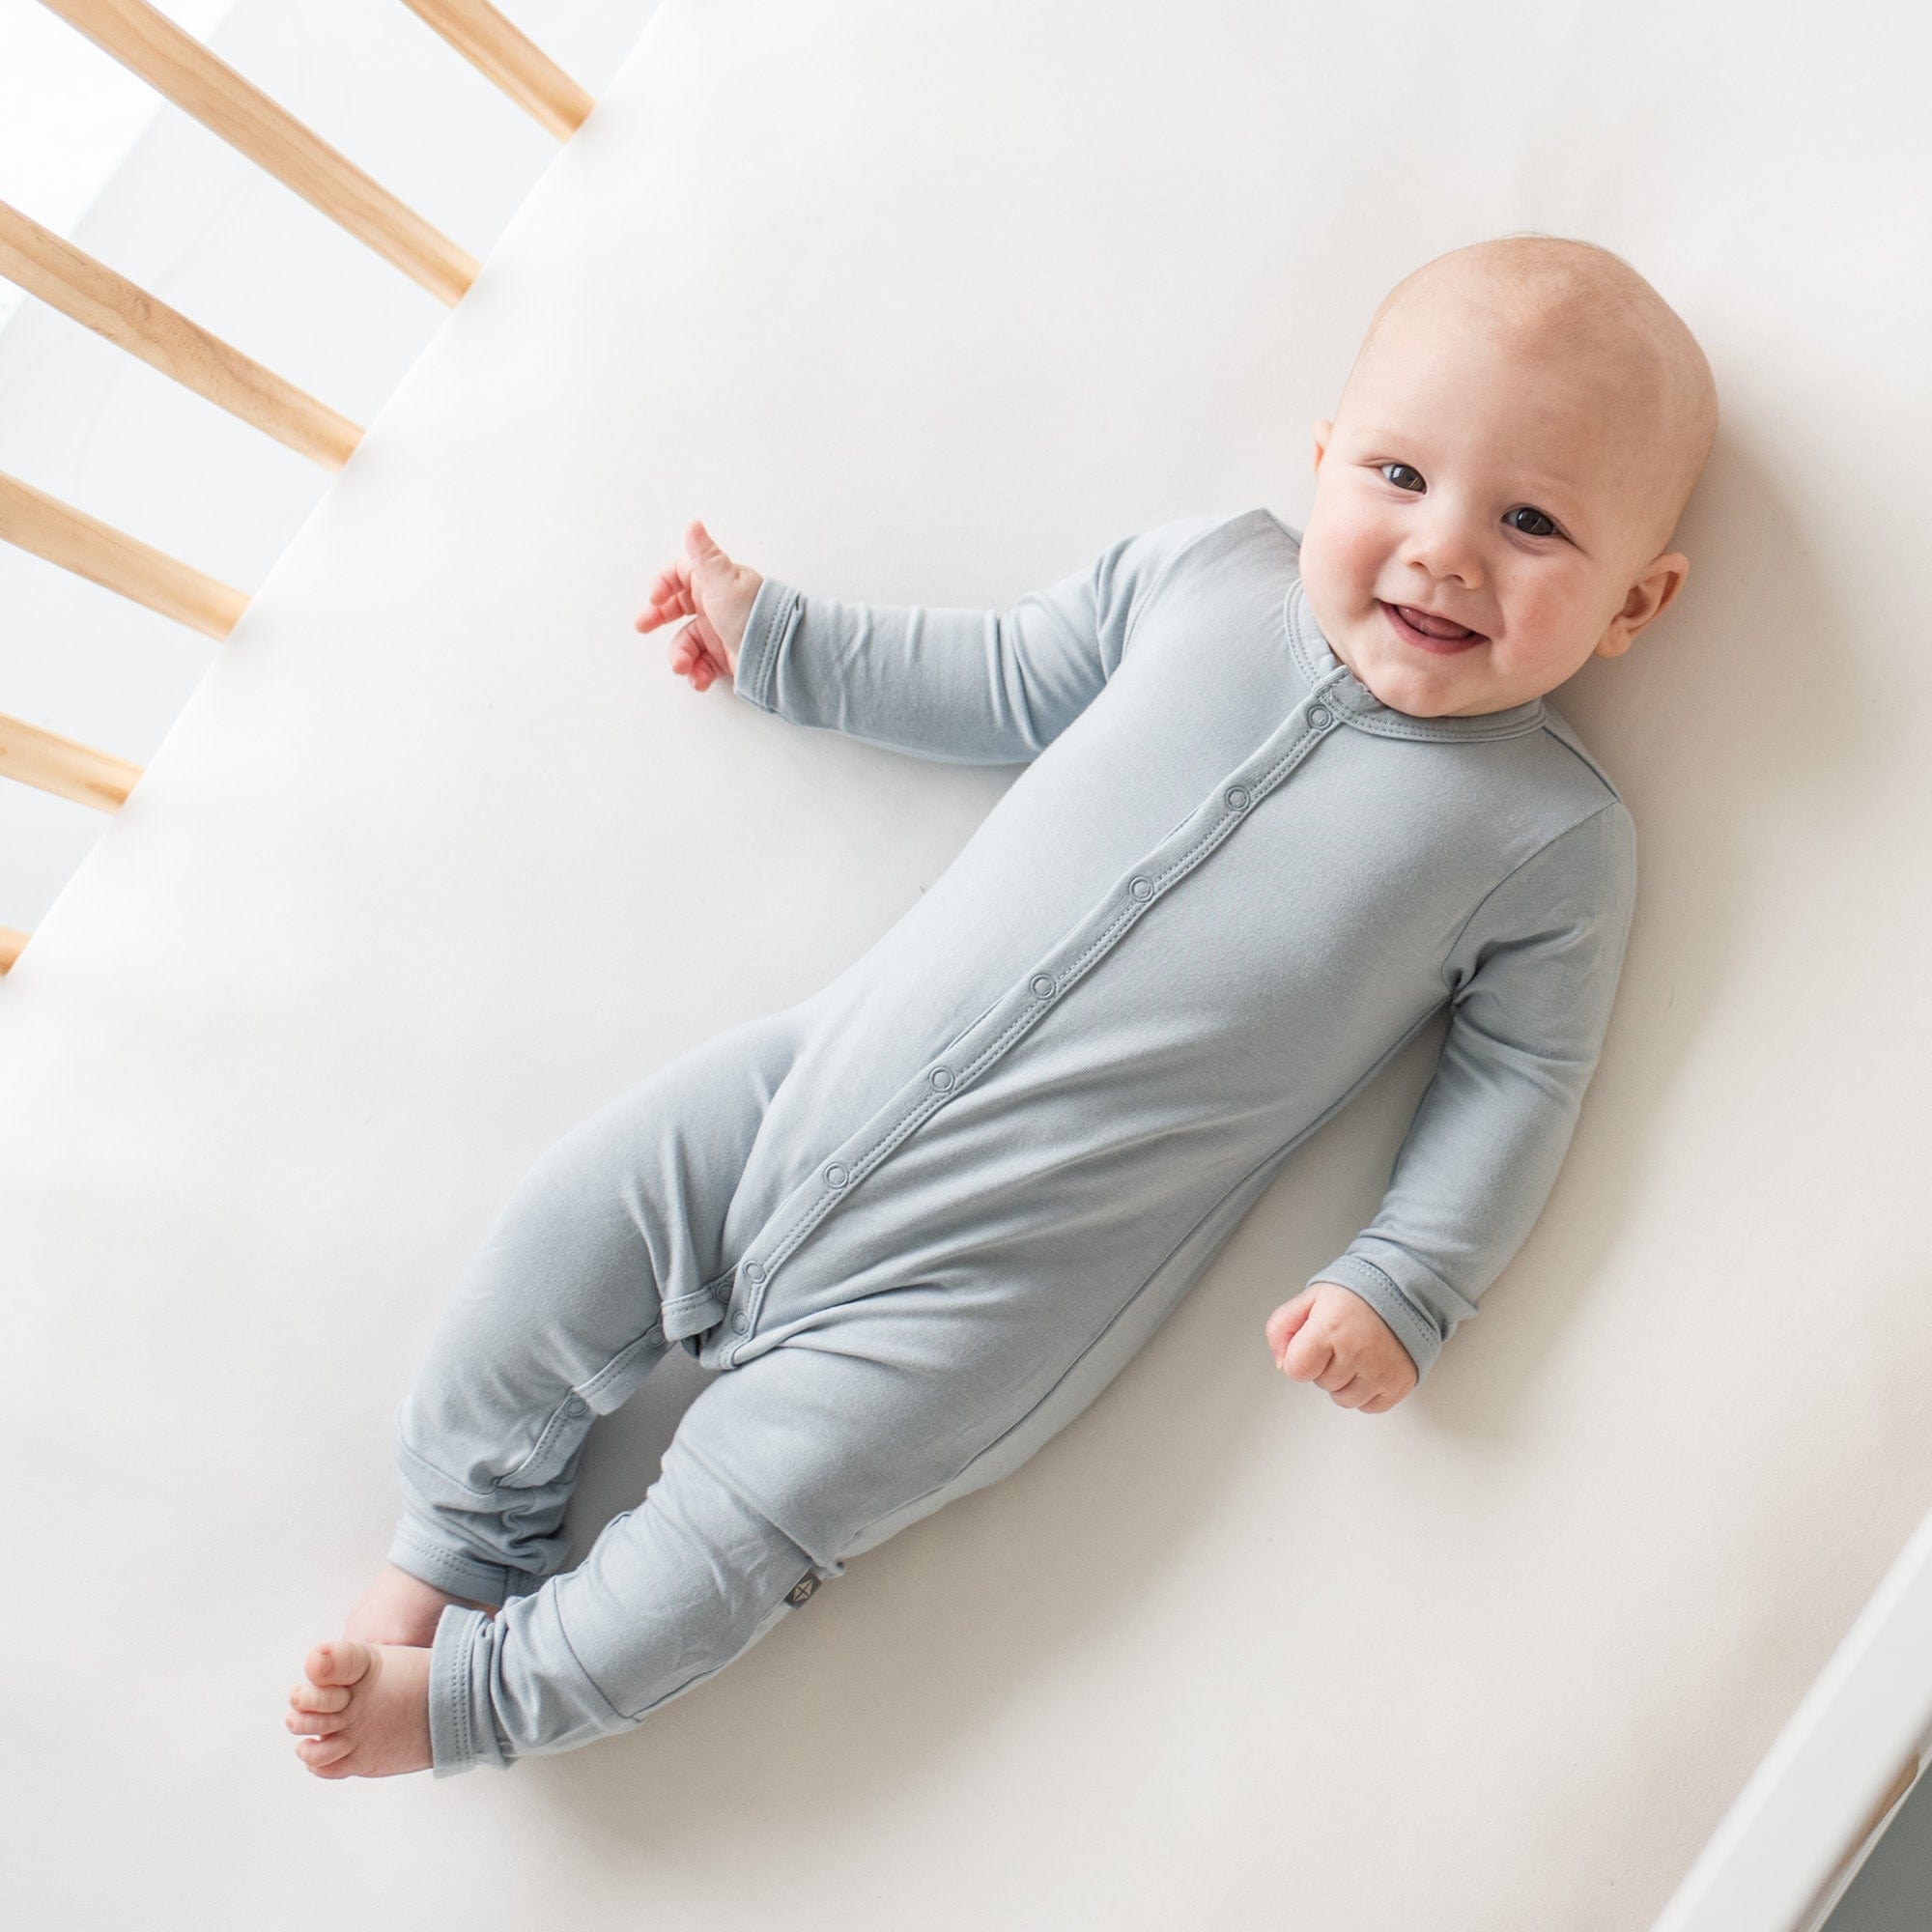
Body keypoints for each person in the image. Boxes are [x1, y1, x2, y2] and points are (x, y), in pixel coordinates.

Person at [285, 232, 1718, 1779]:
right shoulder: (1206, 576)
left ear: (1636, 604)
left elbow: (1523, 1077)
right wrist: (785, 641)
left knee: (746, 1520)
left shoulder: (1548, 840)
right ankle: (451, 1542)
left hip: (985, 1300)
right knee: (570, 1218)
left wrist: (1409, 1281)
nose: (1444, 552)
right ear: (1321, 463)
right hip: (800, 1096)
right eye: (1397, 476)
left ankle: (475, 1702)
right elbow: (1014, 674)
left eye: (1530, 522)